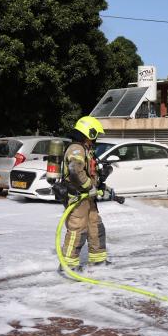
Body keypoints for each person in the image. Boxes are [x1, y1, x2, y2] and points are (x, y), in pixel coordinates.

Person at [60, 115, 108, 270]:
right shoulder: (77, 149)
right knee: (77, 230)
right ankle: (69, 265)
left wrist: (99, 183)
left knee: (95, 227)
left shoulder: (85, 149)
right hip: (77, 197)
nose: (95, 139)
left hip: (87, 198)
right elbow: (75, 170)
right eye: (95, 135)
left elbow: (89, 171)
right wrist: (89, 187)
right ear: (89, 132)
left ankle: (98, 260)